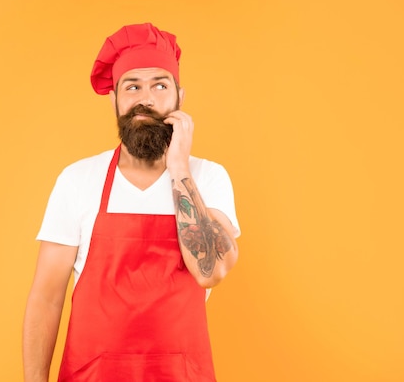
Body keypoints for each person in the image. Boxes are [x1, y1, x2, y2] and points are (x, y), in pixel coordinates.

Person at [23, 22, 241, 382]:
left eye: (160, 84)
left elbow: (211, 271)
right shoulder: (78, 180)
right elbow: (46, 300)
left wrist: (179, 168)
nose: (147, 98)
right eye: (133, 86)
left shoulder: (208, 177)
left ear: (179, 98)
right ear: (115, 100)